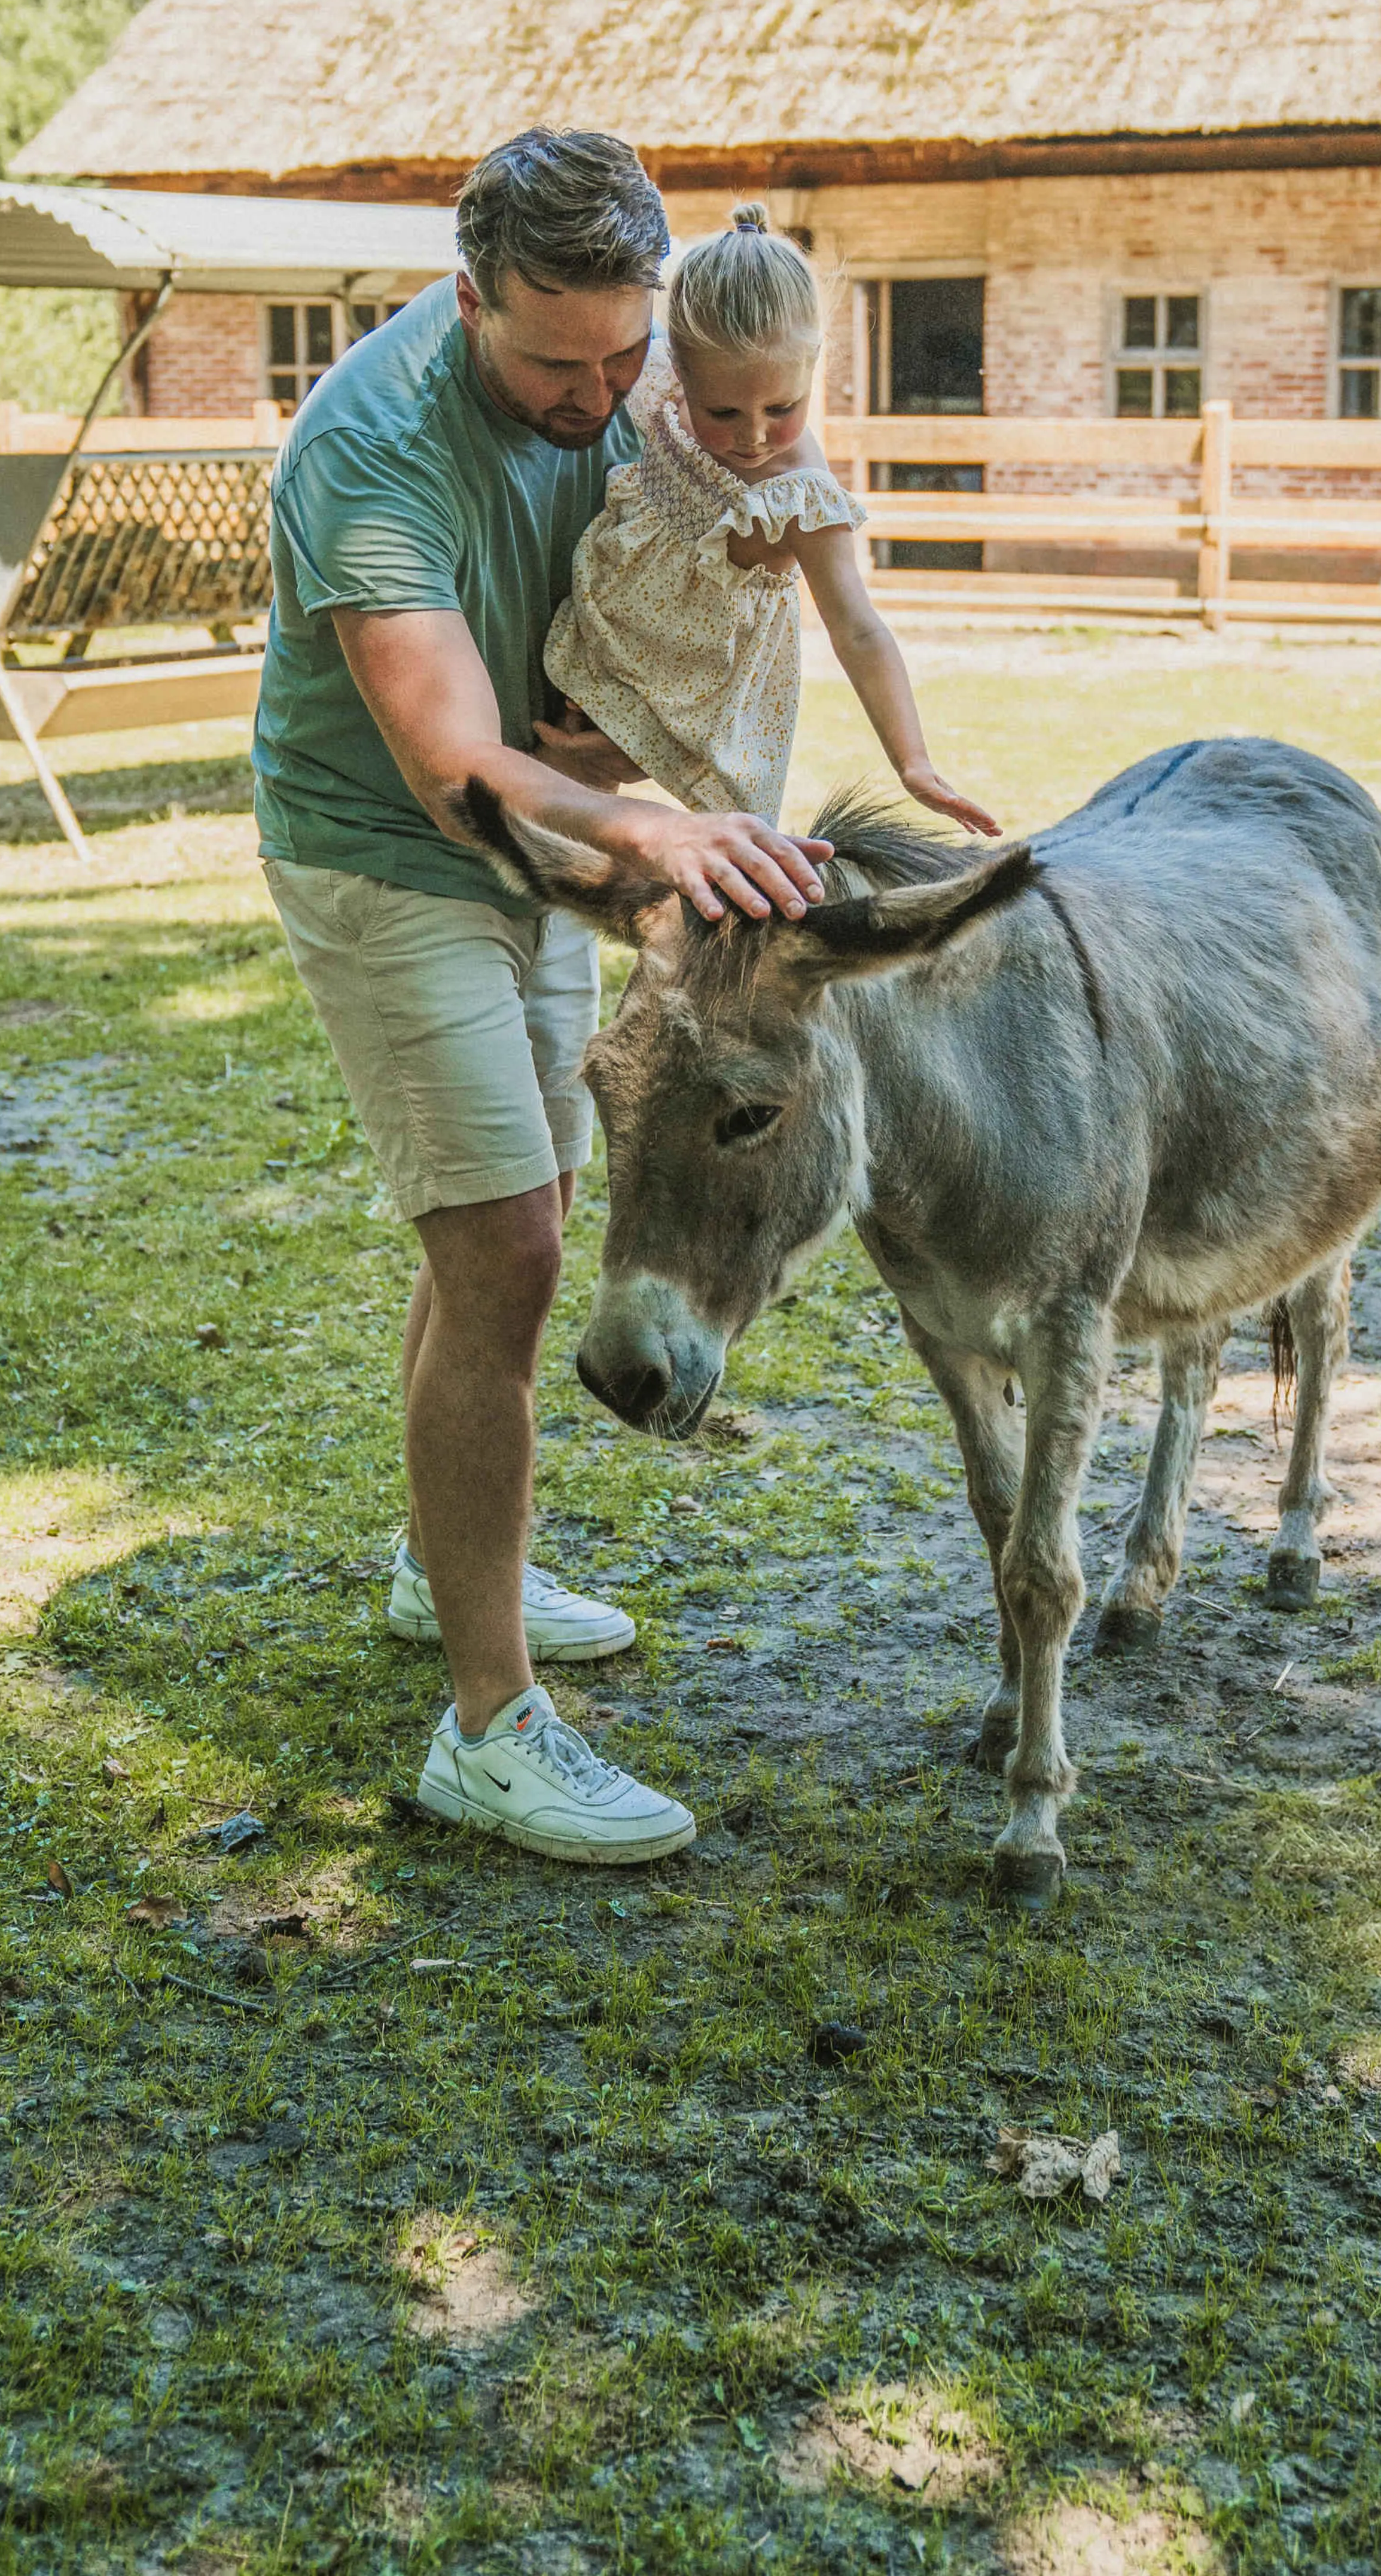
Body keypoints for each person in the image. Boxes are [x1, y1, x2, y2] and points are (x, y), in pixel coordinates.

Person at [253, 126, 833, 1868]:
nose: (595, 397)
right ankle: (489, 1728)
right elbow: (446, 759)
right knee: (502, 1243)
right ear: (464, 300)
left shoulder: (628, 395)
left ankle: (444, 1554)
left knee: (530, 1210)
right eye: (547, 361)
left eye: (621, 355)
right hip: (389, 853)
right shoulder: (369, 447)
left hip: (542, 852)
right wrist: (653, 822)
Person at [545, 204, 998, 836]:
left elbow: (859, 630)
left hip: (689, 681)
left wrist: (912, 762)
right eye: (723, 411)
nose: (754, 436)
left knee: (573, 795)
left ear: (815, 367)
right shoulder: (659, 382)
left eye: (782, 407)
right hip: (600, 619)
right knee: (543, 793)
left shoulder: (800, 500)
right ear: (677, 367)